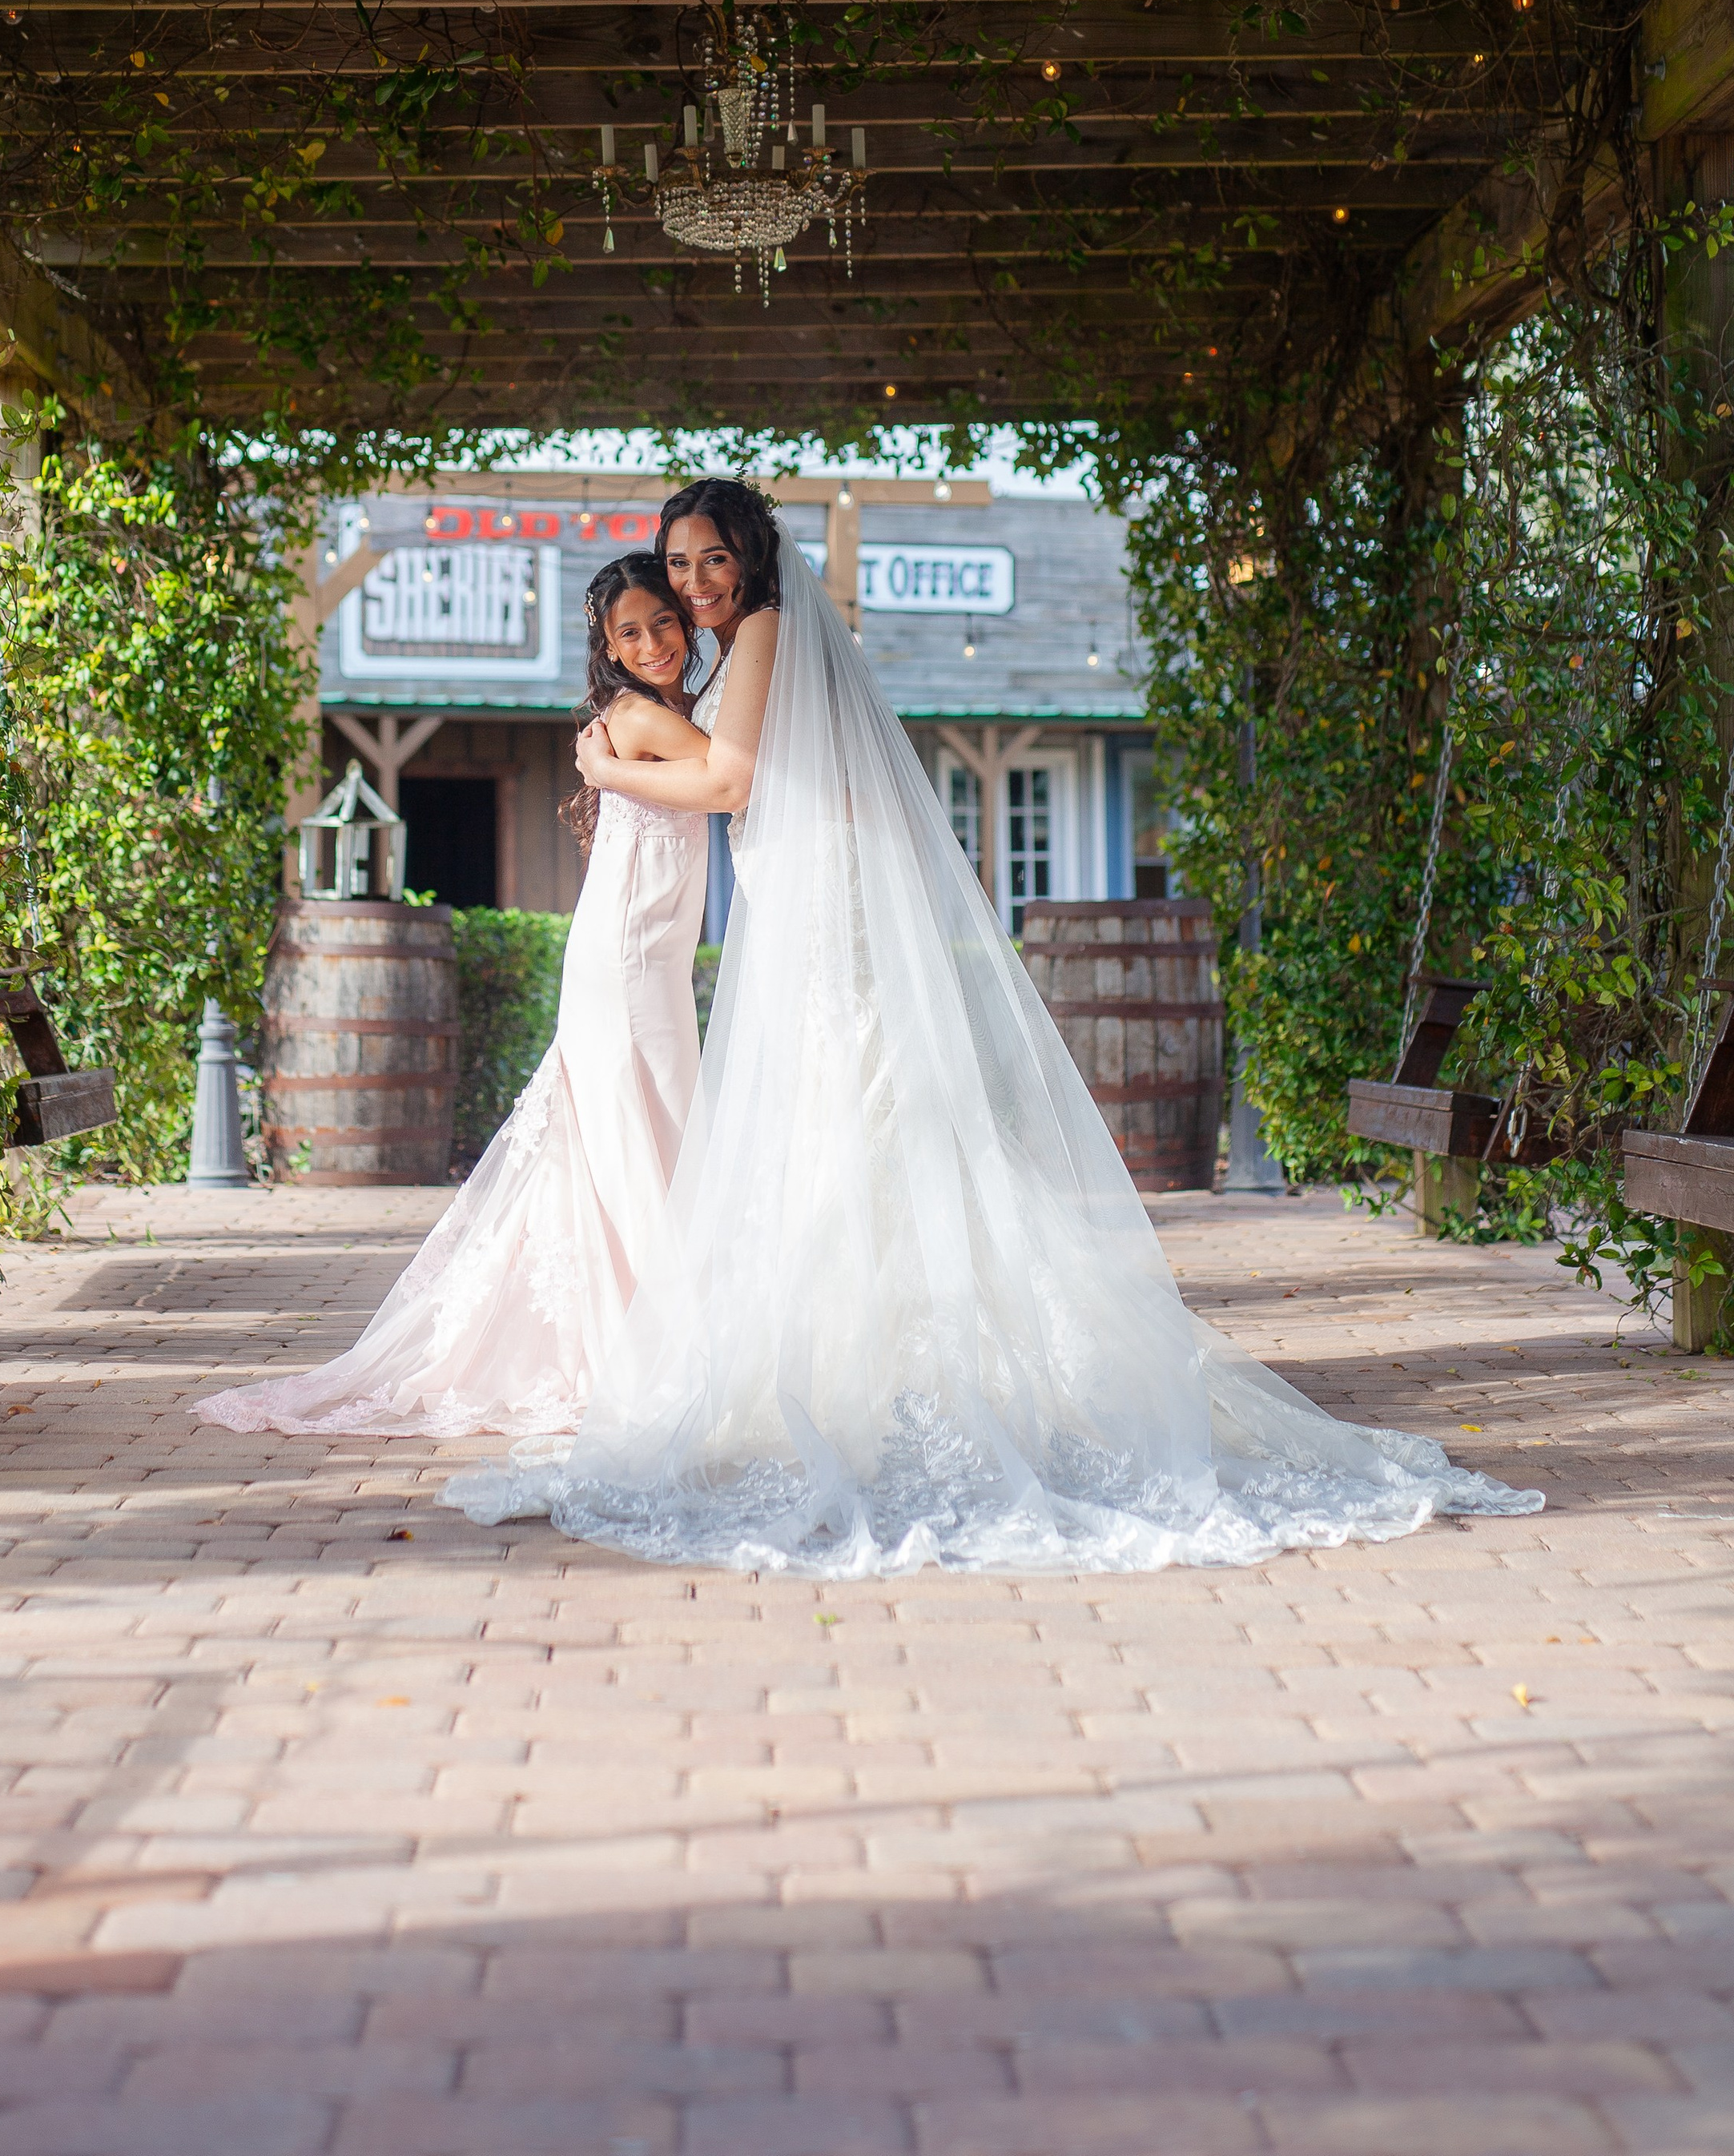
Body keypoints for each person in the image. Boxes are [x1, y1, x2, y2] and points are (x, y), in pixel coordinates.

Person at [449, 481, 1545, 1577]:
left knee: (853, 1108)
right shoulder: (740, 649)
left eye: (711, 563)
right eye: (679, 566)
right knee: (836, 1117)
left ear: (751, 560)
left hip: (817, 897)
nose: (694, 584)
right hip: (794, 888)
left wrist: (605, 767)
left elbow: (733, 779)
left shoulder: (770, 629)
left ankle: (883, 1374)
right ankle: (851, 1362)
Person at [195, 552, 714, 1443]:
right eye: (630, 631)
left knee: (646, 1127)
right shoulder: (635, 719)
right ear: (608, 648)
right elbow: (735, 772)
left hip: (638, 959)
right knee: (645, 1124)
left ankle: (653, 1324)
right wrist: (619, 771)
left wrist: (611, 773)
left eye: (664, 621)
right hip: (627, 966)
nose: (653, 641)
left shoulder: (648, 719)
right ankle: (670, 1337)